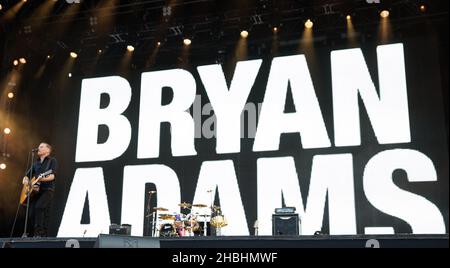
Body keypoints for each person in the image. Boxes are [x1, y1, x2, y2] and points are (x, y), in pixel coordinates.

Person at [22, 142, 58, 237]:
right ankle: (34, 234)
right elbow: (26, 176)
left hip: (47, 190)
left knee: (39, 207)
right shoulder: (35, 164)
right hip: (35, 191)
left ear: (48, 150)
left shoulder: (52, 161)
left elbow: (52, 176)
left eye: (41, 147)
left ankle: (40, 234)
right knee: (31, 213)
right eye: (38, 147)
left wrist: (41, 178)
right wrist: (26, 181)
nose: (38, 148)